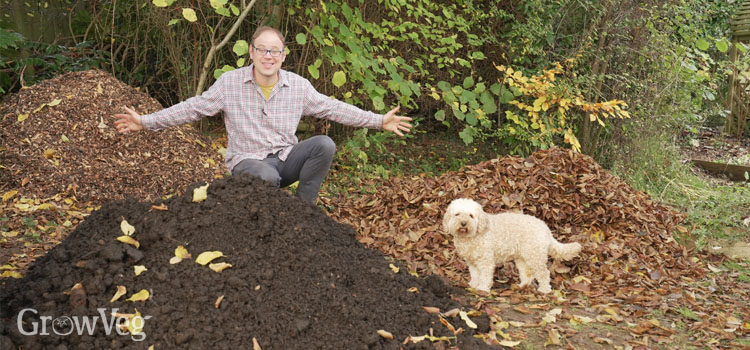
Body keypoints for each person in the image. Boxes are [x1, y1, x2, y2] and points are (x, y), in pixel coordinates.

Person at [113, 26, 412, 204]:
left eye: (275, 51)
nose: (269, 56)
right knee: (266, 175)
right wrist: (146, 121)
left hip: (285, 159)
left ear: (283, 56)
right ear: (252, 53)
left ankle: (303, 212)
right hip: (248, 164)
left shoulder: (298, 86)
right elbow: (193, 107)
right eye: (262, 50)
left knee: (324, 145)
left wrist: (378, 120)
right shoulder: (230, 83)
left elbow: (334, 108)